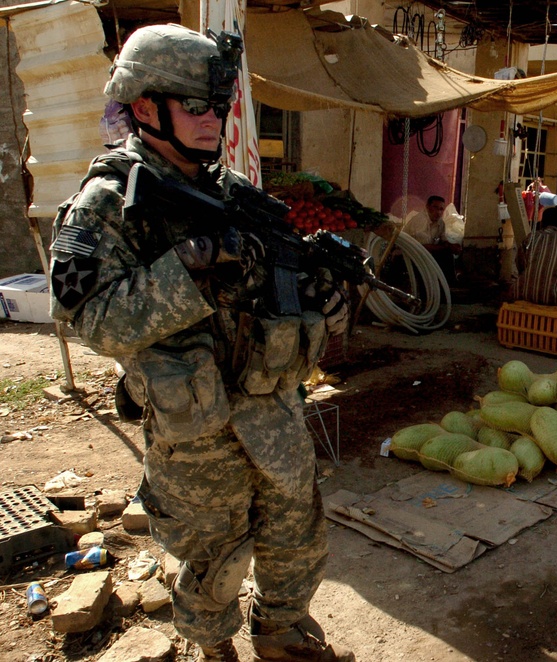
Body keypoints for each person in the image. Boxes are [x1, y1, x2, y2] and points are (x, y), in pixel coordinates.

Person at [47, 24, 354, 662]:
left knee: (297, 536)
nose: (212, 118)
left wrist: (319, 294)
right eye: (194, 105)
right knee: (214, 558)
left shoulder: (233, 193)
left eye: (218, 104)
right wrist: (189, 264)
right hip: (195, 428)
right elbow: (92, 319)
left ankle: (282, 637)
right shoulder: (108, 205)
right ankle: (215, 651)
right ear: (143, 107)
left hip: (272, 412)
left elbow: (273, 285)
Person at [402, 195, 462, 285]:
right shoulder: (421, 220)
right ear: (427, 207)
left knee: (448, 253)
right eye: (435, 207)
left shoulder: (440, 223)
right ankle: (447, 283)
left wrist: (452, 246)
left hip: (424, 255)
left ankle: (449, 282)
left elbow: (443, 239)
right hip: (408, 255)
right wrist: (446, 247)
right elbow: (423, 247)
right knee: (444, 253)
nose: (438, 212)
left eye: (441, 209)